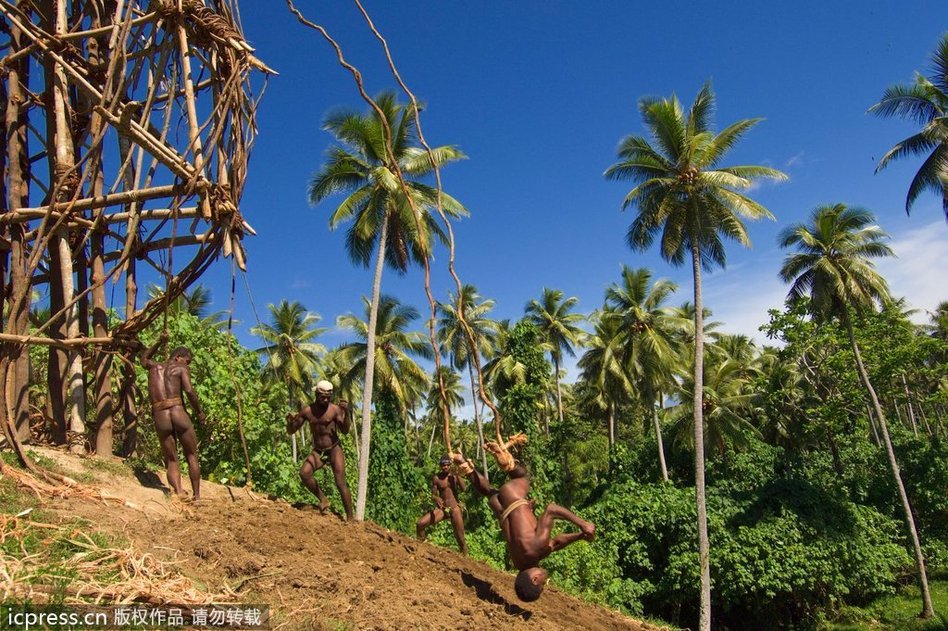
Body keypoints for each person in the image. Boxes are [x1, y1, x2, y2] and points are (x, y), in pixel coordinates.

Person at [453, 434, 596, 602]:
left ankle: (506, 462)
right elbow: (555, 543)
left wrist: (582, 524)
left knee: (522, 476)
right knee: (488, 492)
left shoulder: (537, 549)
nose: (545, 584)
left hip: (512, 497)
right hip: (500, 508)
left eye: (542, 586)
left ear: (534, 580)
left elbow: (552, 509)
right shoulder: (520, 562)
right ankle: (466, 466)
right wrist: (579, 536)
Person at [140, 332, 207, 501]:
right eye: (187, 361)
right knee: (191, 454)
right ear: (178, 357)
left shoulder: (154, 368)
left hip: (160, 414)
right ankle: (197, 496)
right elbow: (190, 392)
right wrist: (199, 412)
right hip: (177, 410)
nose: (188, 364)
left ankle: (178, 492)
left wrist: (158, 341)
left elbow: (144, 359)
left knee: (171, 458)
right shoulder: (181, 368)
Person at [287, 380, 354, 520]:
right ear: (316, 394)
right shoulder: (307, 411)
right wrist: (289, 422)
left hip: (334, 449)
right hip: (319, 451)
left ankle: (350, 518)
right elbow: (291, 431)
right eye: (322, 396)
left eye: (328, 397)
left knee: (340, 483)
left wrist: (346, 413)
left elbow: (345, 430)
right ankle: (323, 499)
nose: (325, 400)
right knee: (304, 473)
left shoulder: (335, 410)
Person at [416, 455, 468, 554]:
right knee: (420, 524)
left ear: (450, 465)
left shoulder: (454, 477)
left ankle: (464, 555)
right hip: (442, 509)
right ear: (440, 466)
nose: (445, 467)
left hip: (454, 507)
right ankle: (420, 545)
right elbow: (433, 495)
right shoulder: (436, 478)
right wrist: (436, 498)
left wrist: (458, 475)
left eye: (447, 465)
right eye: (443, 465)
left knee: (460, 536)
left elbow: (464, 489)